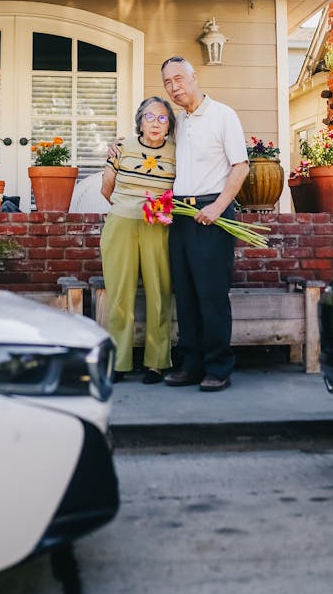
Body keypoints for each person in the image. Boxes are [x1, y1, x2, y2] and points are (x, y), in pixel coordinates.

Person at [160, 56, 249, 392]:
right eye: (168, 82)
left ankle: (218, 368)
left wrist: (218, 207)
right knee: (185, 294)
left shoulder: (223, 115)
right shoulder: (178, 122)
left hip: (214, 212)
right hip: (180, 215)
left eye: (179, 79)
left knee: (211, 295)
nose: (174, 87)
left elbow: (240, 167)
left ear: (194, 77)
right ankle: (192, 365)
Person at [100, 96, 177, 384]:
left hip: (157, 226)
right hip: (121, 223)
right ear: (139, 121)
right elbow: (106, 189)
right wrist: (128, 206)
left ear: (169, 124)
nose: (155, 123)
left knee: (160, 292)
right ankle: (119, 362)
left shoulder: (177, 152)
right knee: (120, 293)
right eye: (149, 117)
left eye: (162, 118)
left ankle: (156, 363)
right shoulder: (122, 148)